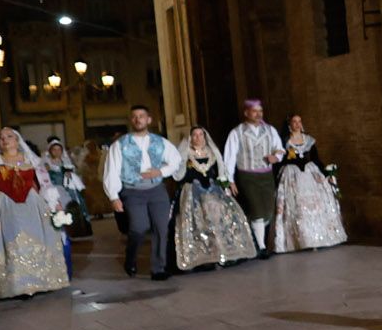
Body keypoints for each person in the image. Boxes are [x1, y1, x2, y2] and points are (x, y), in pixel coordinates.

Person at [0, 127, 71, 301]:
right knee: (10, 243)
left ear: (17, 140)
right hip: (4, 206)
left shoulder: (32, 160)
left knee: (39, 238)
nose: (5, 140)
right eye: (1, 138)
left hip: (32, 205)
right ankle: (15, 285)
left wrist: (55, 203)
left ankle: (41, 281)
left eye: (9, 136)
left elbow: (45, 184)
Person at [102, 105, 183, 281]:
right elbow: (111, 171)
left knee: (161, 228)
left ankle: (158, 268)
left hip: (157, 189)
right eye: (135, 116)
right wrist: (113, 196)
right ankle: (130, 258)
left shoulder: (160, 142)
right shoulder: (120, 144)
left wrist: (160, 171)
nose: (138, 119)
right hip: (132, 190)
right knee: (139, 227)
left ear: (149, 119)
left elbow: (176, 160)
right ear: (131, 120)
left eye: (142, 116)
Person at [171, 126, 257, 271]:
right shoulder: (185, 154)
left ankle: (222, 253)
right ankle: (203, 257)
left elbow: (220, 173)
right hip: (192, 192)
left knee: (223, 217)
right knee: (198, 221)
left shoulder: (212, 153)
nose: (198, 138)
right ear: (190, 137)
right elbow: (178, 175)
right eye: (195, 135)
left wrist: (226, 186)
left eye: (201, 135)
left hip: (213, 190)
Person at [271, 115, 347, 254]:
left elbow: (316, 159)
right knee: (297, 206)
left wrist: (327, 173)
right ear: (289, 125)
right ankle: (300, 240)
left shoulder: (309, 140)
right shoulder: (284, 141)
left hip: (310, 173)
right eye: (294, 121)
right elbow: (280, 161)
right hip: (292, 174)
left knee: (316, 204)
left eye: (299, 121)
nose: (297, 124)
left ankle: (318, 238)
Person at [223, 99, 283, 257]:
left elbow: (280, 148)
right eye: (255, 111)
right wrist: (230, 179)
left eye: (260, 111)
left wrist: (276, 157)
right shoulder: (237, 132)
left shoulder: (270, 130)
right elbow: (230, 157)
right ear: (246, 113)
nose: (258, 114)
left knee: (268, 210)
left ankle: (256, 239)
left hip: (266, 176)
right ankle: (261, 247)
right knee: (256, 209)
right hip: (247, 176)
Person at [42, 138, 93, 237]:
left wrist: (70, 176)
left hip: (69, 189)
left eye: (59, 150)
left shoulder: (66, 162)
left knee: (74, 207)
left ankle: (78, 230)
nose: (57, 152)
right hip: (56, 190)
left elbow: (74, 174)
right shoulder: (47, 164)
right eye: (54, 150)